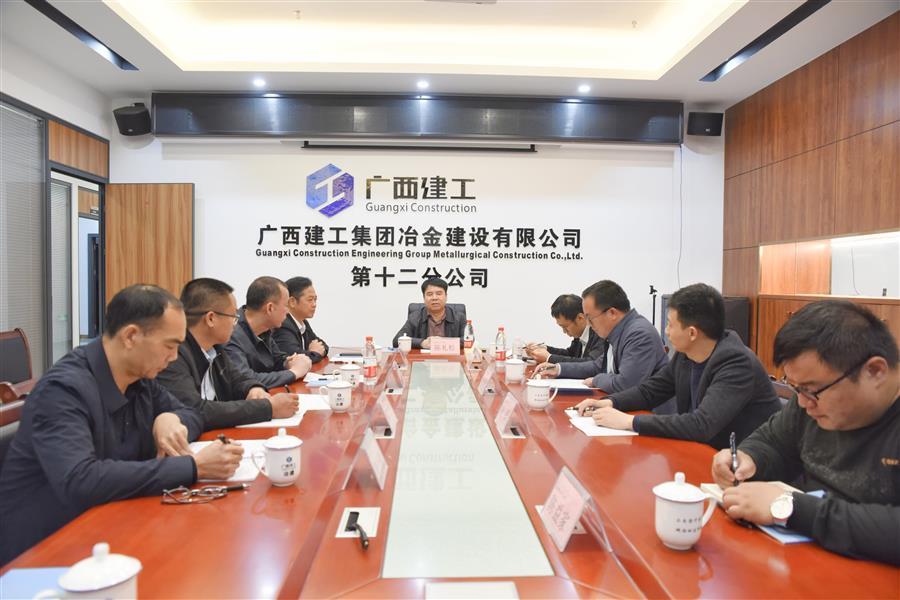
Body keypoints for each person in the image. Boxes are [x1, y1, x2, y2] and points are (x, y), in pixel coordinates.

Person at [0, 285, 243, 565]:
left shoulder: (139, 379)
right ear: (130, 336)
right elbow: (81, 479)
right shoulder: (63, 390)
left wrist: (170, 418)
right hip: (45, 553)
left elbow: (193, 413)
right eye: (170, 345)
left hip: (113, 526)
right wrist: (194, 467)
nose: (175, 357)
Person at [711, 300, 899, 566]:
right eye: (796, 388)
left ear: (875, 371)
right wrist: (748, 458)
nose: (802, 403)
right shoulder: (811, 403)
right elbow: (773, 441)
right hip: (803, 557)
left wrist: (790, 508)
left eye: (811, 390)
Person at [575, 283, 781, 448]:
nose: (666, 331)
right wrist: (610, 402)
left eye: (670, 324)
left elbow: (701, 424)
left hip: (742, 464)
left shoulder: (735, 363)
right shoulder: (686, 355)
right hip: (702, 451)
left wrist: (630, 422)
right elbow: (651, 390)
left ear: (692, 333)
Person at [157, 278, 300, 430]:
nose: (235, 324)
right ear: (211, 319)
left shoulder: (216, 349)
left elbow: (238, 378)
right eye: (233, 317)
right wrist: (268, 408)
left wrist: (253, 388)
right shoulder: (174, 355)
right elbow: (196, 409)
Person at [533, 280, 667, 393]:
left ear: (612, 313)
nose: (588, 324)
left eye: (590, 318)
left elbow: (626, 384)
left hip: (649, 412)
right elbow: (596, 366)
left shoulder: (639, 334)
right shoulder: (618, 331)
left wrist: (596, 380)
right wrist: (558, 369)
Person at [225, 276, 312, 388]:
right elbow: (246, 379)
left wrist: (288, 362)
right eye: (286, 305)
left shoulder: (265, 329)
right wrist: (294, 373)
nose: (288, 311)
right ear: (270, 308)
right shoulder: (230, 333)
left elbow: (277, 359)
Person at [525, 293, 607, 367]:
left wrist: (549, 358)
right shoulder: (580, 334)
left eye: (565, 326)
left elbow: (590, 363)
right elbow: (570, 354)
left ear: (580, 318)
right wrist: (545, 349)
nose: (564, 332)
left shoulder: (600, 334)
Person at [392, 278, 466, 349]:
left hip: (450, 357)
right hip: (422, 357)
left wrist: (444, 342)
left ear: (446, 296)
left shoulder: (459, 317)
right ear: (424, 298)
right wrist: (422, 343)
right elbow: (396, 341)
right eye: (430, 294)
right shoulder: (415, 317)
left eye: (439, 294)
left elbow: (468, 340)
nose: (434, 298)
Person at [273, 276, 329, 363]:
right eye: (310, 300)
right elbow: (295, 358)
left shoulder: (303, 322)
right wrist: (315, 353)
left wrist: (315, 352)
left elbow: (322, 345)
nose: (314, 304)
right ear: (292, 302)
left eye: (315, 299)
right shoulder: (283, 325)